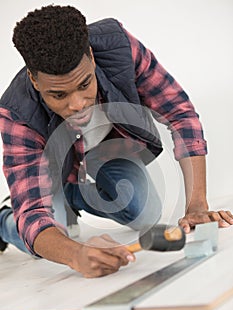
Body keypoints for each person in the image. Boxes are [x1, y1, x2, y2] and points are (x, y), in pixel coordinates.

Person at [0, 5, 232, 278]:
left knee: (146, 212)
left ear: (91, 57)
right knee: (55, 231)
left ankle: (73, 199)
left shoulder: (119, 48)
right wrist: (75, 254)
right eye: (59, 96)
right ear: (34, 80)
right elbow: (33, 213)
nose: (78, 104)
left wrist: (196, 206)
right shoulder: (17, 113)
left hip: (107, 154)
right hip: (51, 173)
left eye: (85, 84)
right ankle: (4, 221)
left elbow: (180, 114)